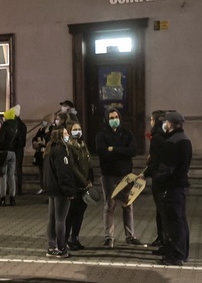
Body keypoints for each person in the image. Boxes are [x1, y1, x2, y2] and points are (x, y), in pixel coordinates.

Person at [144, 111, 191, 265]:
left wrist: (157, 178)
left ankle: (176, 256)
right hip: (180, 186)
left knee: (173, 222)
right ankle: (181, 253)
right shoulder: (185, 140)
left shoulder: (172, 142)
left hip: (171, 188)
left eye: (166, 122)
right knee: (180, 220)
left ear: (170, 124)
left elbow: (167, 168)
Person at [95, 108, 141, 247]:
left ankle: (130, 235)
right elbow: (102, 152)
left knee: (128, 205)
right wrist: (122, 151)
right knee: (109, 205)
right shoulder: (101, 134)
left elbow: (133, 150)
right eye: (111, 118)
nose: (114, 120)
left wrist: (113, 149)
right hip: (109, 175)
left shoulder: (127, 133)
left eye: (116, 117)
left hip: (126, 175)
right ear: (106, 120)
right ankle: (109, 237)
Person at [43, 127, 76, 258]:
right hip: (60, 190)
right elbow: (63, 173)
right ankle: (62, 248)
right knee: (60, 219)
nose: (68, 135)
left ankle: (52, 246)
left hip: (51, 189)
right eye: (66, 133)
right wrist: (69, 190)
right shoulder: (61, 151)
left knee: (52, 218)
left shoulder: (49, 149)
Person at [65, 121, 94, 251]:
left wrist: (90, 179)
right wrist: (83, 181)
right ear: (70, 131)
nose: (78, 131)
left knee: (80, 214)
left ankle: (75, 237)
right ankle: (65, 239)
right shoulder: (69, 146)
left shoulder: (83, 145)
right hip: (75, 185)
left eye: (79, 129)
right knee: (70, 214)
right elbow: (73, 167)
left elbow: (89, 164)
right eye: (75, 129)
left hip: (84, 187)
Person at [146, 110, 168, 244]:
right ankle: (162, 236)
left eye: (151, 120)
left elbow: (156, 160)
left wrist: (146, 172)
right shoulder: (165, 136)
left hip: (159, 178)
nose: (150, 122)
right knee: (161, 210)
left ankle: (163, 238)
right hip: (162, 176)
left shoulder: (157, 137)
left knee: (161, 210)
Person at [0, 106, 23, 206]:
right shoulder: (17, 126)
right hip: (13, 153)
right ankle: (12, 197)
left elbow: (1, 140)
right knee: (11, 175)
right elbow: (19, 141)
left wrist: (1, 146)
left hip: (4, 152)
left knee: (3, 175)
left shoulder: (5, 126)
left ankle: (2, 197)